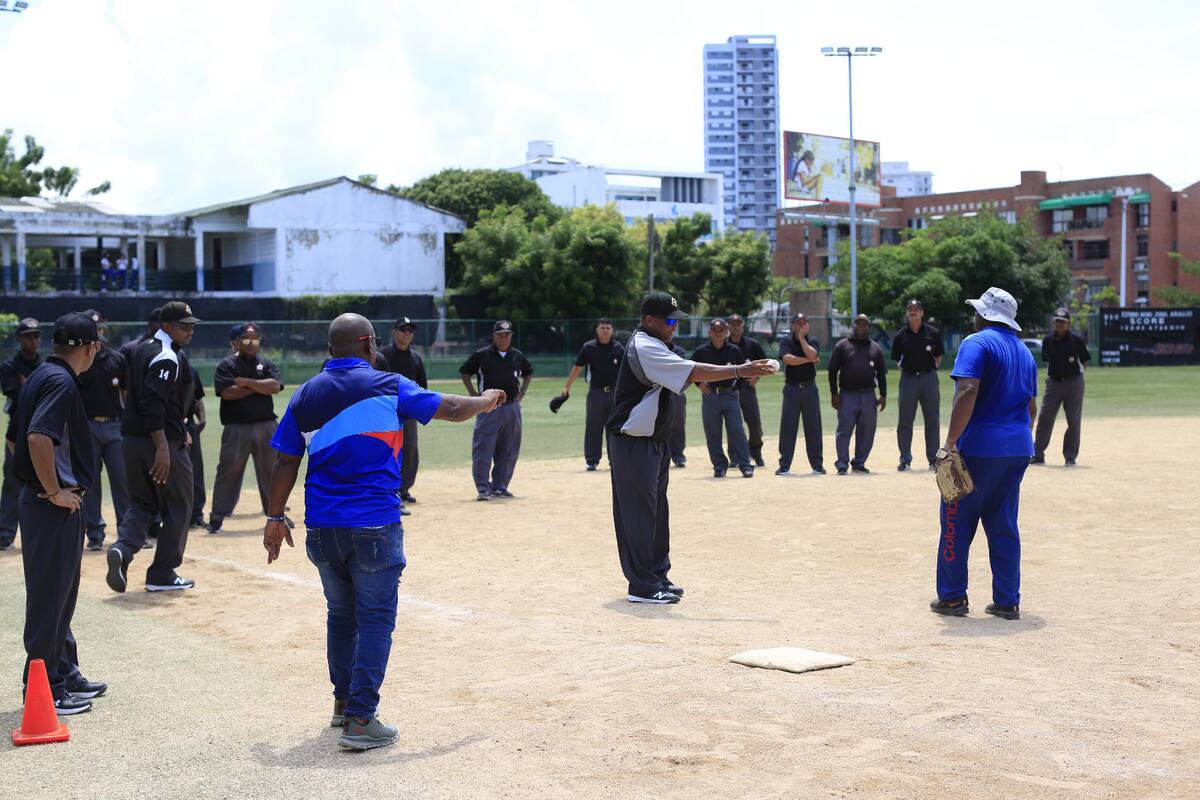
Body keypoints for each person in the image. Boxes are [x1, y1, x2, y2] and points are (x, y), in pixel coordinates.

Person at [262, 313, 505, 751]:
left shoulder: (306, 393)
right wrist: (485, 401)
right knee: (375, 619)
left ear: (332, 348)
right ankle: (360, 719)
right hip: (374, 522)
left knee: (341, 616)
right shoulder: (387, 384)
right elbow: (451, 409)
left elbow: (285, 461)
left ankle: (343, 705)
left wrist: (274, 517)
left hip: (323, 526)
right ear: (368, 343)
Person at [607, 293, 775, 603]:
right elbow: (694, 371)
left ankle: (657, 575)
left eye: (678, 320)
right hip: (633, 441)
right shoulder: (644, 346)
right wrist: (741, 369)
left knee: (657, 511)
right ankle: (642, 586)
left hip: (653, 441)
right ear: (649, 320)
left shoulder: (657, 344)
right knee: (639, 514)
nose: (675, 326)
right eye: (670, 320)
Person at [14, 312, 107, 714]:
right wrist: (53, 491)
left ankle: (65, 672)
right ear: (90, 348)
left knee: (60, 595)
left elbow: (16, 440)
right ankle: (45, 687)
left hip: (45, 503)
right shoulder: (60, 381)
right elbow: (37, 437)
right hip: (49, 506)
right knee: (50, 600)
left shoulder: (41, 374)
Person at [931, 287, 1037, 621]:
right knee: (1003, 523)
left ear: (984, 315)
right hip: (1017, 448)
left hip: (978, 448)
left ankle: (952, 597)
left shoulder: (976, 343)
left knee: (955, 520)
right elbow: (1031, 408)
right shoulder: (1025, 352)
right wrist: (1016, 440)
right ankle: (1007, 601)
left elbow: (967, 389)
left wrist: (950, 441)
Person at [106, 301, 199, 593]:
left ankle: (123, 548)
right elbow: (152, 403)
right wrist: (162, 448)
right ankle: (161, 573)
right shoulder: (166, 356)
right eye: (184, 326)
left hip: (131, 441)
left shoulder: (140, 348)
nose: (190, 331)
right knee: (179, 503)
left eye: (191, 326)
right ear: (166, 326)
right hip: (160, 442)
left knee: (142, 502)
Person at [207, 322, 284, 534]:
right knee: (229, 470)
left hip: (265, 425)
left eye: (255, 339)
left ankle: (276, 515)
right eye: (247, 339)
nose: (251, 343)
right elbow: (227, 393)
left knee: (271, 470)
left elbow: (275, 386)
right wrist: (259, 386)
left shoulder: (266, 363)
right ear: (238, 342)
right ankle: (217, 517)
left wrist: (246, 383)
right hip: (236, 427)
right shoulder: (226, 365)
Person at [459, 320, 533, 500]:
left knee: (508, 449)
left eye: (507, 335)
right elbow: (465, 372)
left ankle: (500, 486)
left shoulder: (517, 355)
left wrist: (522, 392)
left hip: (512, 407)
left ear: (511, 337)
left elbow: (528, 372)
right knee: (483, 448)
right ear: (494, 336)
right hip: (488, 408)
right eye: (500, 335)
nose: (503, 339)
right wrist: (474, 394)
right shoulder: (483, 354)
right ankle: (483, 488)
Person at [77, 310, 130, 551]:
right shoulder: (79, 361)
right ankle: (95, 533)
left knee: (122, 480)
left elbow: (126, 395)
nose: (97, 332)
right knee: (90, 482)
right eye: (93, 328)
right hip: (87, 426)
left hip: (115, 426)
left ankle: (127, 533)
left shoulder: (117, 359)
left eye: (99, 328)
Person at [0, 317, 42, 550]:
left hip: (43, 431)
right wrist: (36, 390)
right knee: (12, 482)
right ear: (19, 339)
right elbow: (16, 397)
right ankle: (5, 534)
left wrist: (27, 386)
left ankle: (39, 533)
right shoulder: (9, 367)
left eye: (36, 336)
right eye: (28, 337)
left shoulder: (45, 366)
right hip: (17, 432)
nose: (33, 341)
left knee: (44, 481)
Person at [692, 318, 753, 478]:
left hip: (730, 395)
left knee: (737, 430)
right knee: (712, 432)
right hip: (710, 396)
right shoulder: (702, 351)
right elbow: (690, 369)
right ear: (710, 332)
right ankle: (719, 465)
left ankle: (745, 464)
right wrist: (698, 383)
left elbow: (743, 370)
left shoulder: (734, 350)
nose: (718, 333)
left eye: (721, 330)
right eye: (715, 330)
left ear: (726, 331)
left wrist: (737, 387)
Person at [561, 318, 624, 471]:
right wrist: (567, 386)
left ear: (612, 331)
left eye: (608, 328)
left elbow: (625, 370)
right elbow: (578, 367)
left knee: (615, 427)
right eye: (602, 328)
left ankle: (615, 459)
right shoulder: (589, 347)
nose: (605, 330)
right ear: (597, 330)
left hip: (614, 393)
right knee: (593, 426)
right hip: (596, 393)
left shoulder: (618, 348)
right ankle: (592, 460)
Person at [828, 314, 887, 475]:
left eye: (864, 324)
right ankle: (842, 464)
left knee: (867, 432)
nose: (861, 326)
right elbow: (832, 371)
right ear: (853, 326)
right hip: (847, 395)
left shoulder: (875, 348)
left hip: (868, 395)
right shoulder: (842, 346)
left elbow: (881, 373)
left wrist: (883, 395)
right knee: (844, 430)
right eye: (858, 323)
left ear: (869, 328)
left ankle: (859, 463)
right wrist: (834, 393)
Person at [377, 317, 428, 505]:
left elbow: (422, 386)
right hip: (386, 412)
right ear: (394, 332)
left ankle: (404, 488)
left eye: (410, 330)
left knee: (409, 451)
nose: (407, 333)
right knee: (387, 451)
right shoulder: (383, 355)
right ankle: (389, 489)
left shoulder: (415, 358)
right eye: (403, 330)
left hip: (408, 413)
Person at [891, 299, 945, 472]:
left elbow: (939, 355)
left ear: (922, 313)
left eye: (916, 309)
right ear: (907, 313)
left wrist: (931, 370)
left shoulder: (932, 333)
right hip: (908, 379)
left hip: (929, 378)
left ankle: (933, 459)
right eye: (910, 309)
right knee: (905, 420)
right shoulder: (900, 335)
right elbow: (897, 359)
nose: (913, 311)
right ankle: (905, 459)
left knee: (932, 419)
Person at [1032, 307, 1090, 466]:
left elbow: (1085, 360)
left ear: (1068, 324)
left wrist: (1078, 377)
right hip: (1054, 383)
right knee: (1045, 417)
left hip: (1074, 383)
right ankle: (1038, 453)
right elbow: (1047, 360)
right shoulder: (1048, 341)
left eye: (1063, 322)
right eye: (1057, 321)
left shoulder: (1077, 341)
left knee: (1073, 420)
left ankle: (1070, 456)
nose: (1059, 324)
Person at [776, 313, 825, 475]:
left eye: (804, 322)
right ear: (793, 325)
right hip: (792, 388)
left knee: (813, 427)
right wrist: (809, 360)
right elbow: (788, 359)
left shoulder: (813, 341)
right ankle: (784, 466)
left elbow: (812, 353)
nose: (801, 325)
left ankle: (817, 466)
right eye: (798, 323)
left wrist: (803, 339)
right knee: (788, 426)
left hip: (810, 388)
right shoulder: (786, 341)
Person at [727, 314, 767, 467]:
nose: (736, 327)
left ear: (743, 326)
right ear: (728, 327)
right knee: (733, 424)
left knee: (754, 423)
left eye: (738, 324)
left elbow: (765, 363)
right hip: (731, 390)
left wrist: (756, 377)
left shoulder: (752, 344)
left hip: (747, 388)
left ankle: (755, 452)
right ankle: (735, 456)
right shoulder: (725, 345)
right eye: (733, 324)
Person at [187, 361, 207, 529]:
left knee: (196, 471)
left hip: (189, 425)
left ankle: (196, 514)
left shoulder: (190, 368)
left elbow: (198, 398)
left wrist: (202, 419)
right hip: (166, 424)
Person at [668, 342, 689, 468]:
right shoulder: (653, 349)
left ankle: (678, 455)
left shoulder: (679, 351)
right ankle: (660, 454)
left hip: (676, 392)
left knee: (678, 424)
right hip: (656, 391)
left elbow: (684, 372)